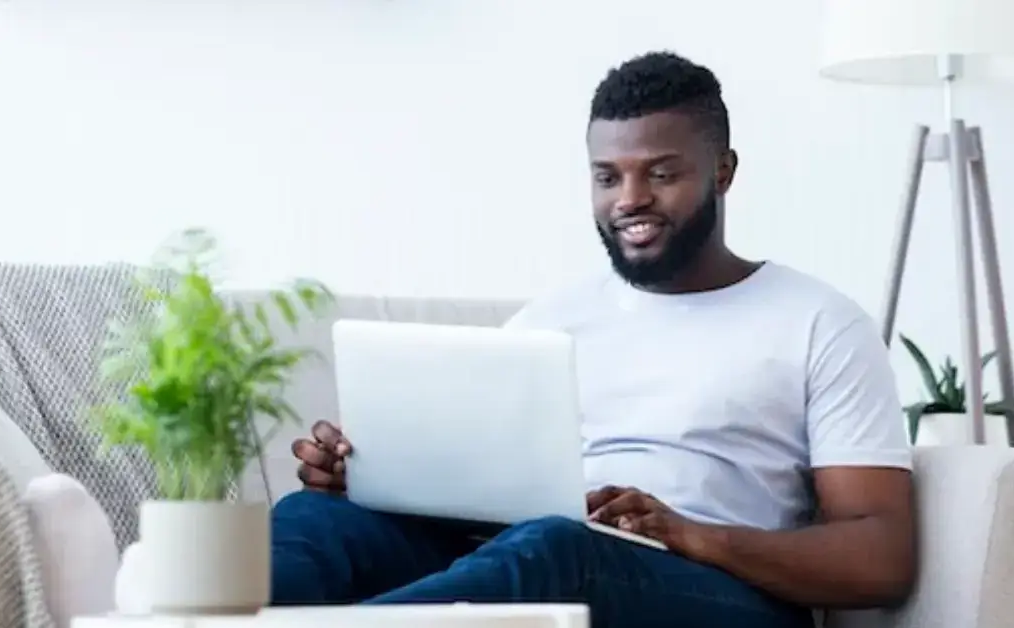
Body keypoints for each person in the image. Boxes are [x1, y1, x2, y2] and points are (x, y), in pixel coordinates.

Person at [268, 50, 917, 628]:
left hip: (722, 589)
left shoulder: (818, 322)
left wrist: (694, 535)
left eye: (661, 174)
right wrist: (371, 476)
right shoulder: (548, 323)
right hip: (536, 552)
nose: (630, 199)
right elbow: (474, 497)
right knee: (313, 521)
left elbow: (881, 558)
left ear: (722, 172)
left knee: (555, 547)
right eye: (608, 177)